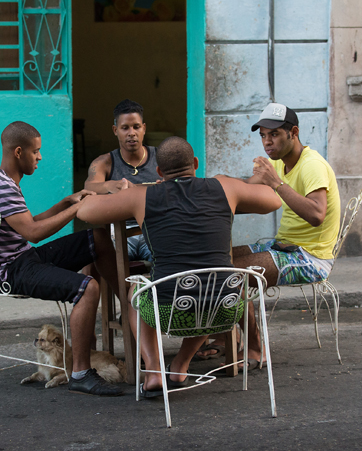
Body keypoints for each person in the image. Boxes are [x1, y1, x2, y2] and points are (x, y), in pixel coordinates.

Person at [76, 136, 281, 397]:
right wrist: (230, 182)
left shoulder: (142, 195)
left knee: (135, 291)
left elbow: (85, 212)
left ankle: (154, 370)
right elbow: (273, 200)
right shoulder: (225, 187)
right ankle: (180, 364)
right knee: (210, 283)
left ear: (159, 172)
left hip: (167, 310)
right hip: (226, 308)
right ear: (195, 163)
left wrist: (117, 190)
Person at [0, 121, 123, 397]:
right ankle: (80, 373)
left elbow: (26, 222)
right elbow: (32, 232)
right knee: (88, 288)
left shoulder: (0, 180)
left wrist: (66, 202)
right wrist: (76, 209)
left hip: (22, 259)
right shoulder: (4, 187)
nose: (39, 157)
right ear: (19, 152)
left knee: (97, 238)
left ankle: (127, 304)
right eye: (36, 151)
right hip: (10, 272)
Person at [196, 103, 341, 367]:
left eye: (273, 134)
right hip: (282, 247)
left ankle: (254, 348)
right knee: (214, 261)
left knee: (231, 274)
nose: (267, 142)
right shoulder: (281, 164)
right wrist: (215, 182)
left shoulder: (312, 165)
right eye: (262, 135)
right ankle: (222, 336)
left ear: (293, 133)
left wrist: (275, 182)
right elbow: (246, 185)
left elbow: (317, 215)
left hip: (309, 257)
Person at [84, 99, 160, 262]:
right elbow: (89, 187)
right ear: (115, 130)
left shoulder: (161, 158)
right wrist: (112, 185)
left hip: (154, 230)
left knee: (168, 260)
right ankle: (108, 289)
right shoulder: (104, 162)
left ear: (144, 128)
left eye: (136, 127)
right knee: (92, 255)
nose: (131, 133)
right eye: (125, 128)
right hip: (119, 233)